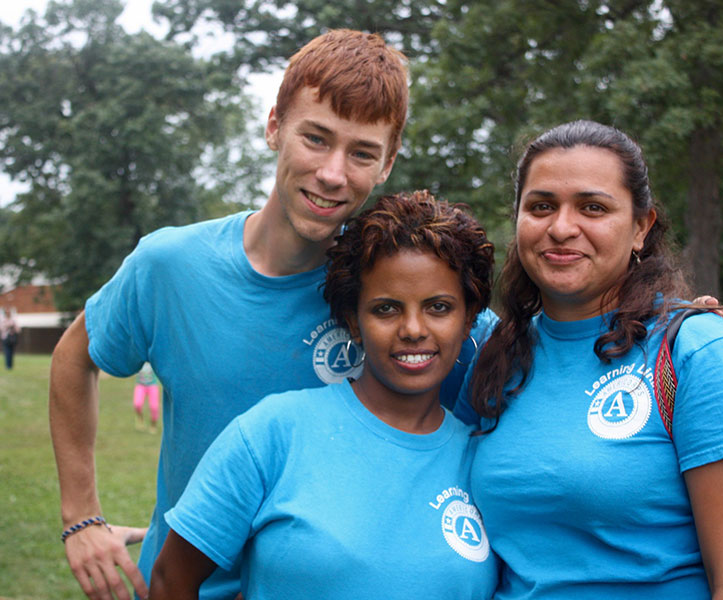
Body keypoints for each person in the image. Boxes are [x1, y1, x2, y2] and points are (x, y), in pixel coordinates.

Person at [48, 29, 409, 600]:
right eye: (315, 138)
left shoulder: (394, 289)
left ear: (386, 164)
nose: (334, 173)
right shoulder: (171, 265)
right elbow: (73, 356)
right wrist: (81, 516)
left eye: (362, 152)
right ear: (274, 128)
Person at [457, 120, 723, 598]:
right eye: (541, 206)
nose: (562, 228)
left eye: (593, 207)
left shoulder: (701, 353)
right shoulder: (492, 359)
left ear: (640, 228)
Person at [147, 191, 499, 599]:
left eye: (438, 307)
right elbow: (171, 581)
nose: (413, 329)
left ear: (468, 317)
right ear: (353, 320)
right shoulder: (273, 434)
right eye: (386, 309)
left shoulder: (483, 460)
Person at [132, 363, 160, 433]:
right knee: (137, 404)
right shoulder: (139, 358)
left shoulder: (153, 358)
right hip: (140, 385)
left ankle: (153, 425)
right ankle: (140, 419)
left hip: (152, 385)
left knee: (154, 407)